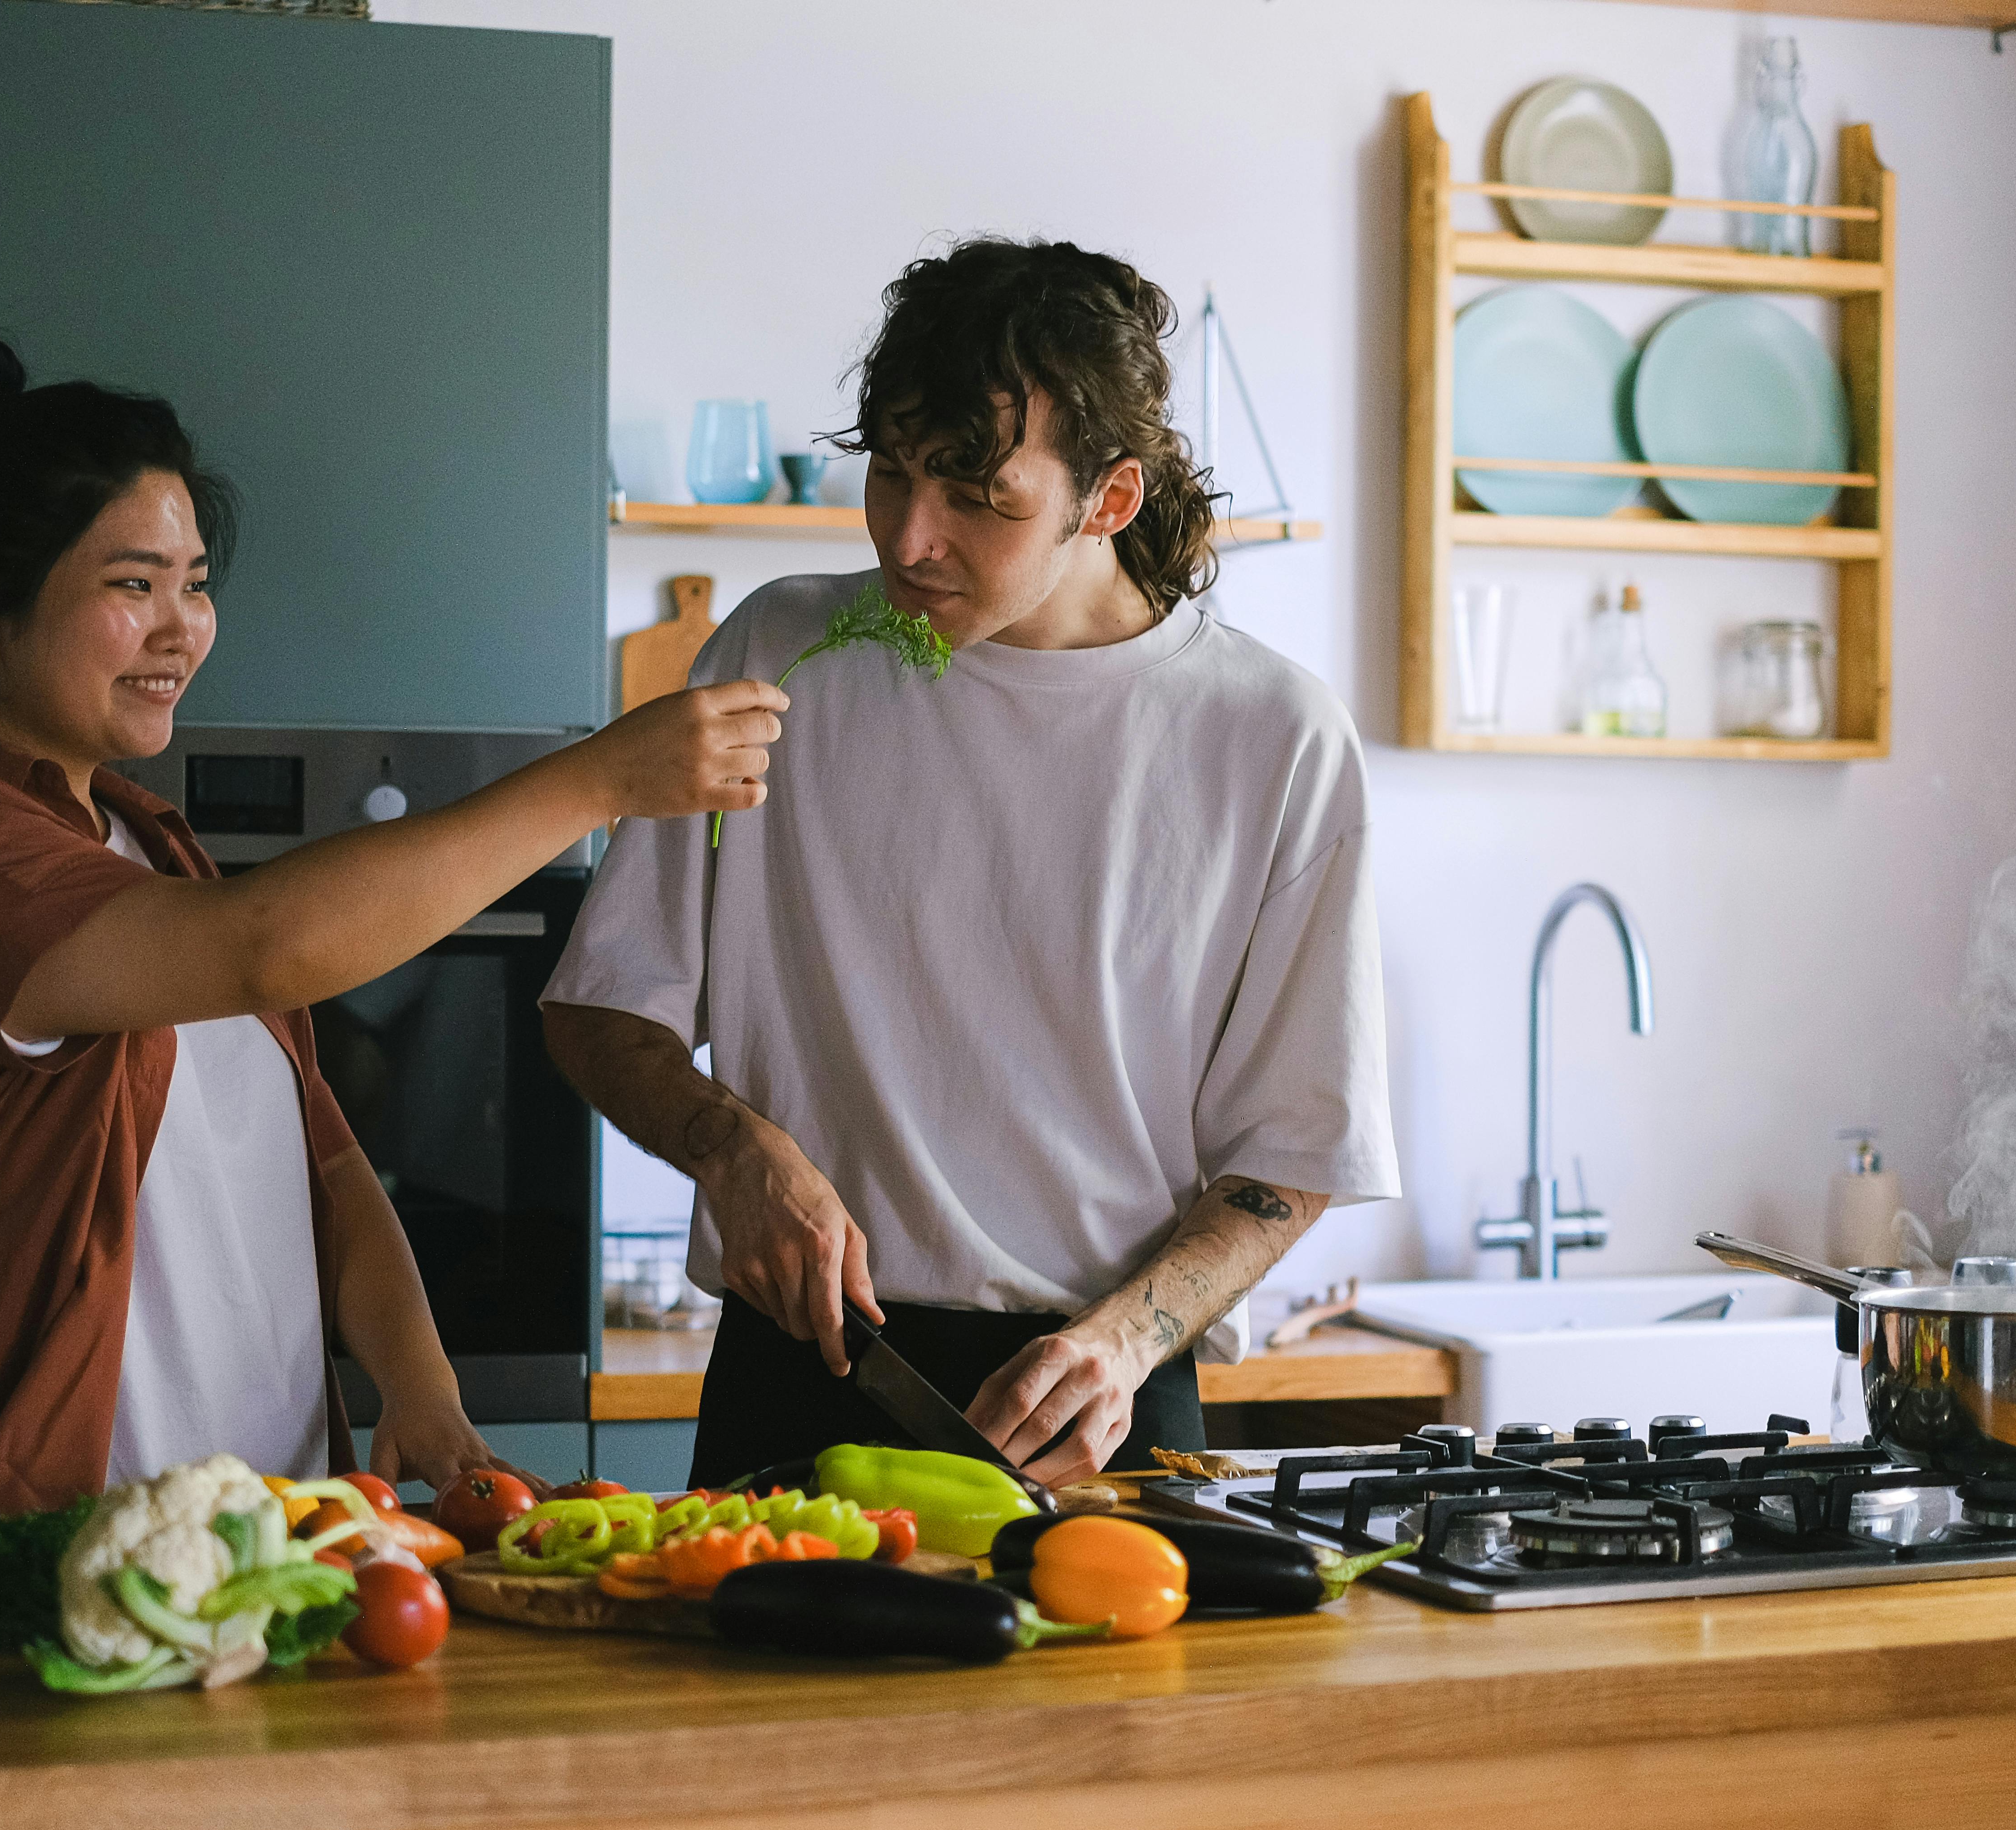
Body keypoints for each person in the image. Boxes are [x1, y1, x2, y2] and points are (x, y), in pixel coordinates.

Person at [0, 331, 786, 1528]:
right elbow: (268, 945)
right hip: (10, 1566)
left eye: (194, 584)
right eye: (131, 585)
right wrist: (597, 780)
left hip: (257, 1556)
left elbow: (329, 1169)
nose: (181, 627)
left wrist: (424, 1387)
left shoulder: (148, 843)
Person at [544, 239, 1397, 1489]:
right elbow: (602, 1010)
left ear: (1108, 499)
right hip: (804, 1375)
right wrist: (734, 1151)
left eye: (977, 496)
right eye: (893, 473)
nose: (912, 537)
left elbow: (1294, 1156)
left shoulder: (1272, 736)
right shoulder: (781, 652)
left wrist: (1126, 1341)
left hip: (1100, 1404)